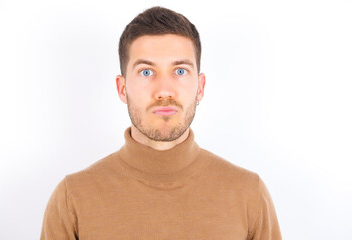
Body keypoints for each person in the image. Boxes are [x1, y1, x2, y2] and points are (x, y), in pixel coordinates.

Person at [40, 6, 282, 240]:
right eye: (146, 72)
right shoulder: (72, 199)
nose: (164, 90)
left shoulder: (249, 194)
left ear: (201, 87)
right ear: (122, 88)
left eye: (179, 71)